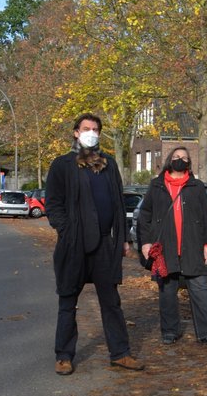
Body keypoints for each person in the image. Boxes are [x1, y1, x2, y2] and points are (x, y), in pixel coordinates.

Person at [46, 113, 144, 375]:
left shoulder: (109, 164)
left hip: (103, 243)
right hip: (74, 244)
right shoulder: (62, 164)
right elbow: (53, 203)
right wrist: (67, 230)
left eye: (95, 129)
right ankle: (64, 356)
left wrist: (123, 239)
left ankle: (120, 353)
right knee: (68, 301)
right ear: (76, 132)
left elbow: (118, 203)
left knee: (111, 301)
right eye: (86, 128)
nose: (91, 133)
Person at [138, 147, 207, 347]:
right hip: (165, 248)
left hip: (193, 247)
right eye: (176, 157)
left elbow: (206, 217)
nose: (180, 160)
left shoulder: (196, 186)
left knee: (201, 291)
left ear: (189, 162)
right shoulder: (157, 185)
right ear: (169, 159)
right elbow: (145, 215)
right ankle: (170, 331)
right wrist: (146, 242)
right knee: (167, 292)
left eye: (184, 158)